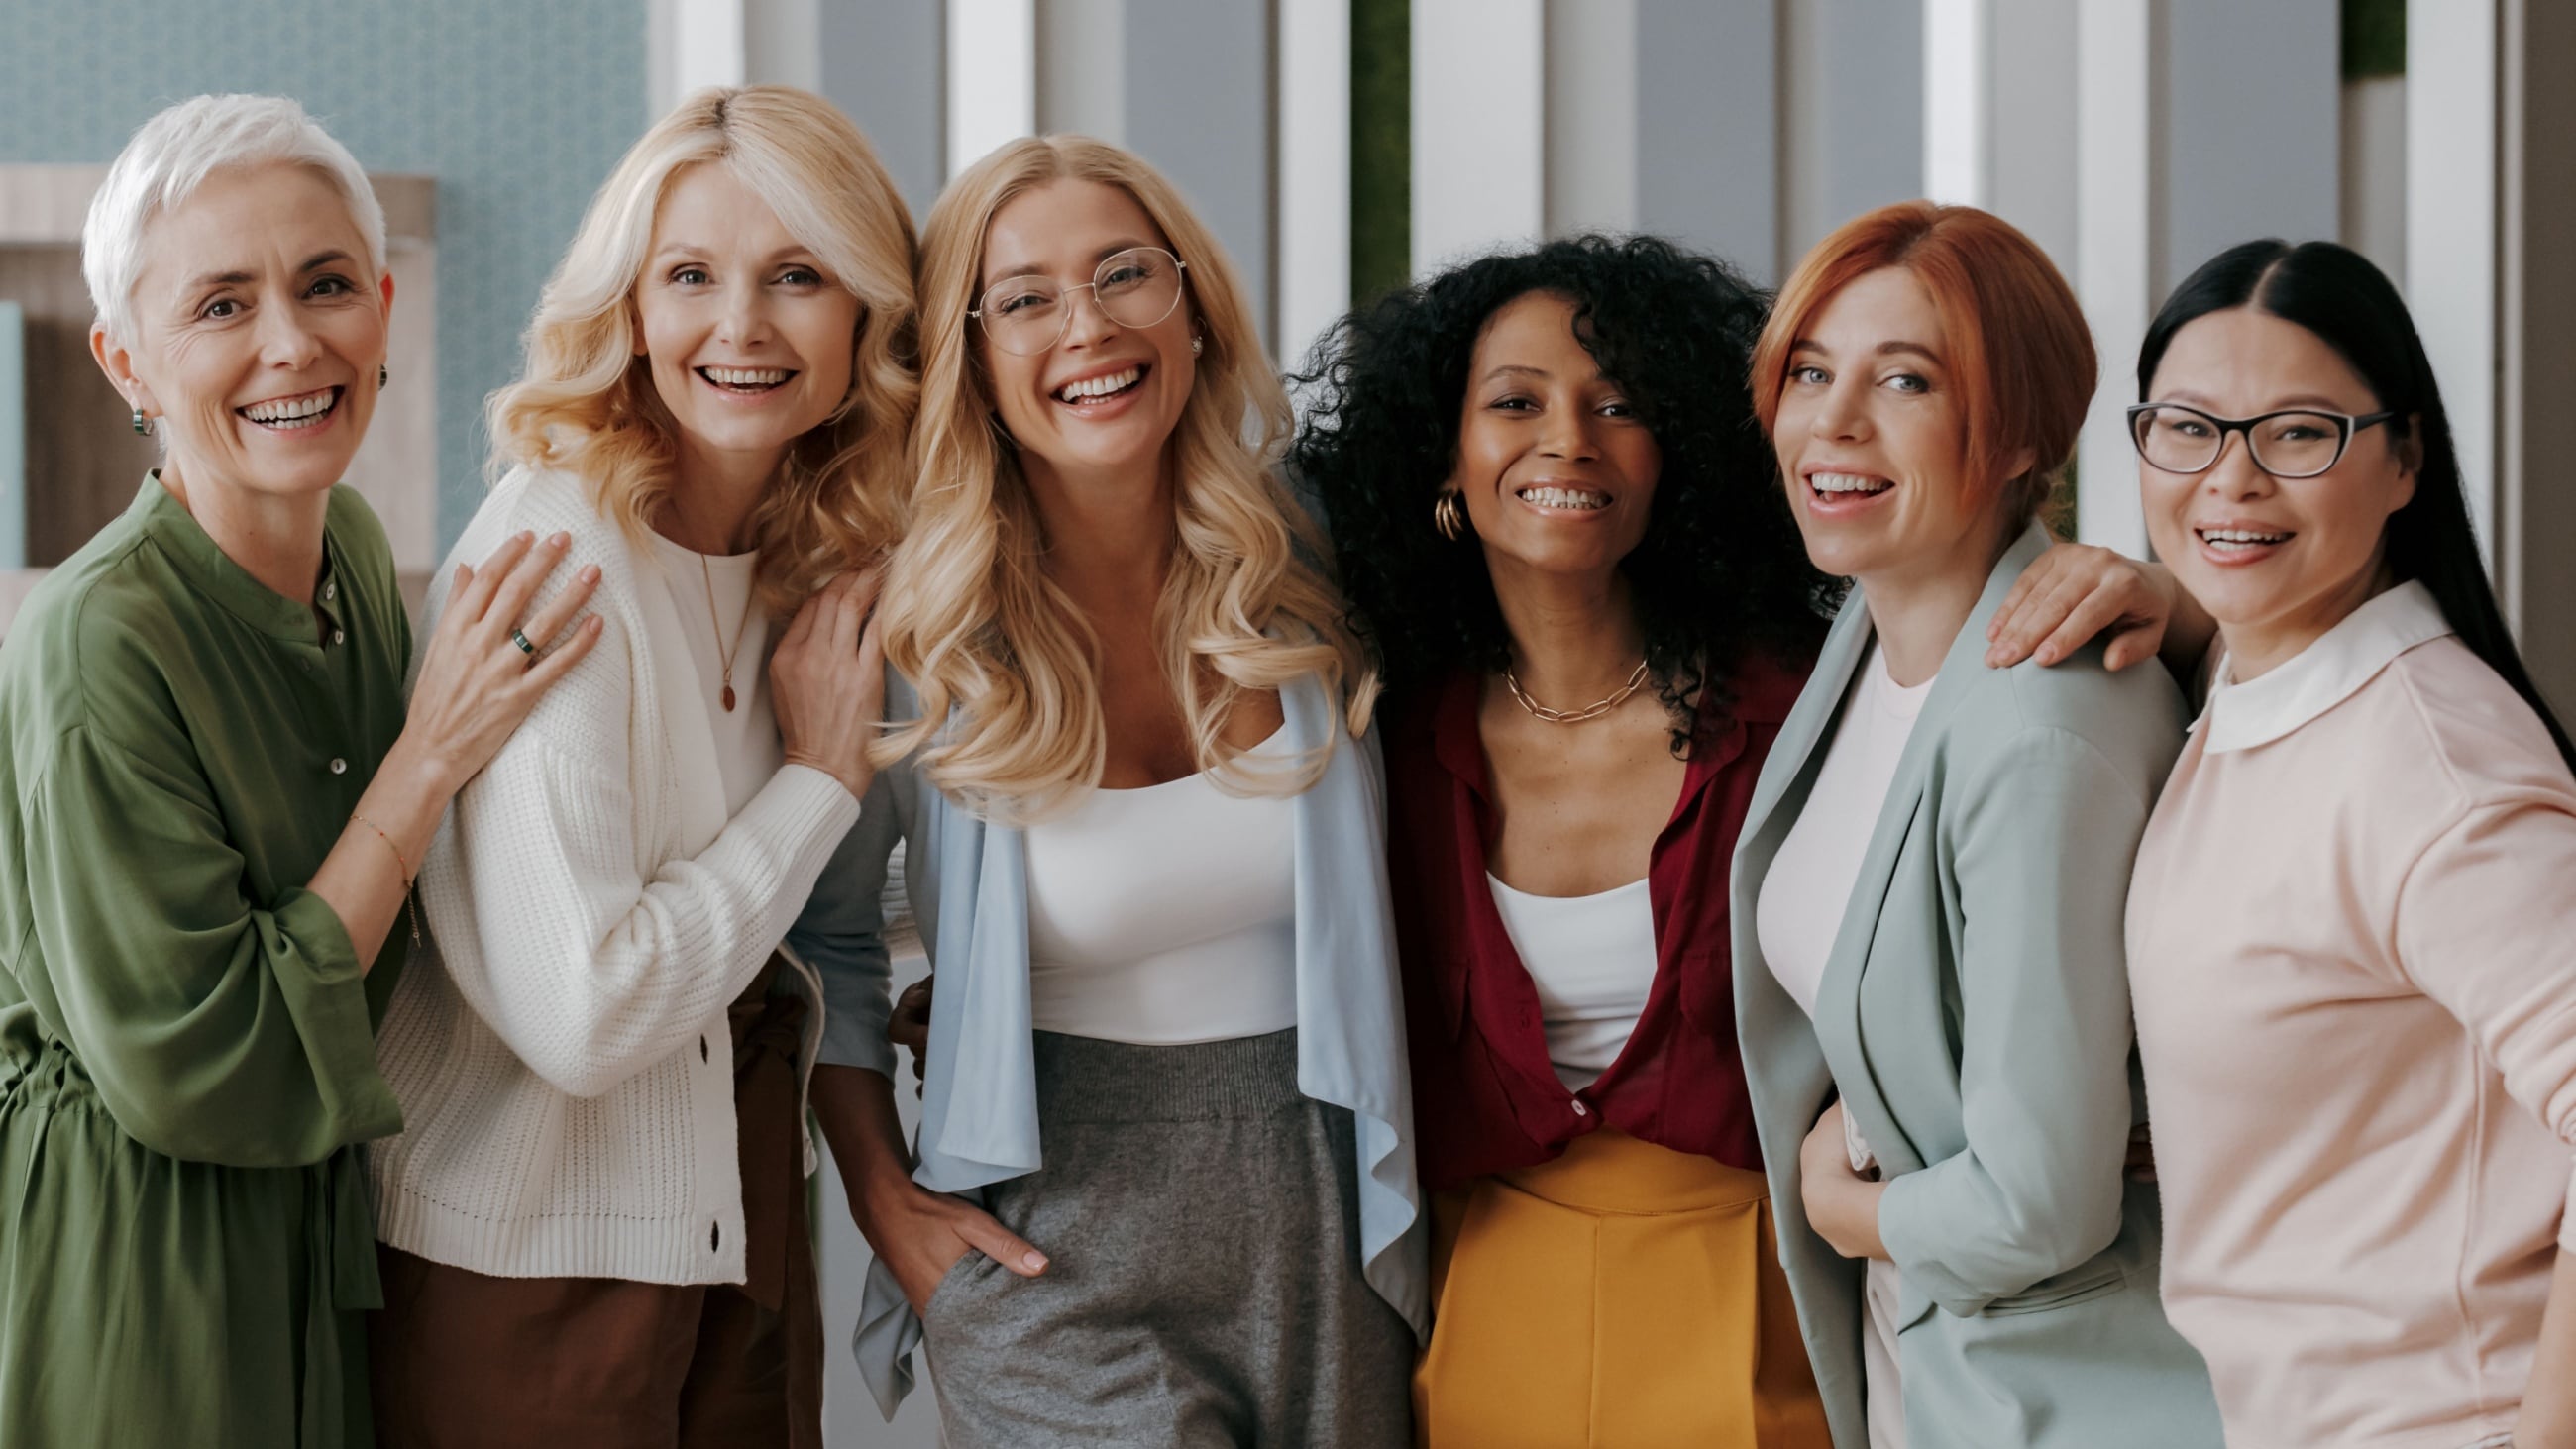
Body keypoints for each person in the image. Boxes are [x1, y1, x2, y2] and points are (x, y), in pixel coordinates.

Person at [795, 135, 1420, 1447]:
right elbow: (831, 940)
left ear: (1192, 306)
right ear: (972, 349)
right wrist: (883, 1197)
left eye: (1125, 273)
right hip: (1047, 1236)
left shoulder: (1319, 555)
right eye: (1025, 297)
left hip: (1320, 1200)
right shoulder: (915, 629)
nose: (1087, 325)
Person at [0, 93, 597, 1446]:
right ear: (125, 360)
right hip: (142, 1263)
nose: (291, 340)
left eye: (325, 283)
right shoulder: (100, 639)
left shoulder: (360, 564)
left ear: (383, 308)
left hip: (328, 1234)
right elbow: (194, 1062)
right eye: (220, 304)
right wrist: (428, 756)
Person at [362, 86, 912, 1449]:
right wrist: (821, 783)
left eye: (797, 275)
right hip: (532, 1263)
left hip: (733, 1218)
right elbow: (590, 1010)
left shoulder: (806, 556)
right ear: (631, 307)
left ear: (864, 312)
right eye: (691, 276)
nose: (741, 325)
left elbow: (812, 908)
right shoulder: (560, 555)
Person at [1734, 200, 2222, 1448]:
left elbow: (2036, 1203)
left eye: (1904, 378)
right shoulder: (1865, 645)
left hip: (2069, 1396)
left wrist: (1841, 1207)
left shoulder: (2036, 730)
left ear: (2016, 435)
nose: (1831, 421)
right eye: (1808, 371)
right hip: (1930, 1376)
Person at [2122, 239, 2576, 1449]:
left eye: (2298, 432)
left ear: (2403, 459)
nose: (2232, 480)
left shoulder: (2432, 767)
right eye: (2187, 427)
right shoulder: (2253, 687)